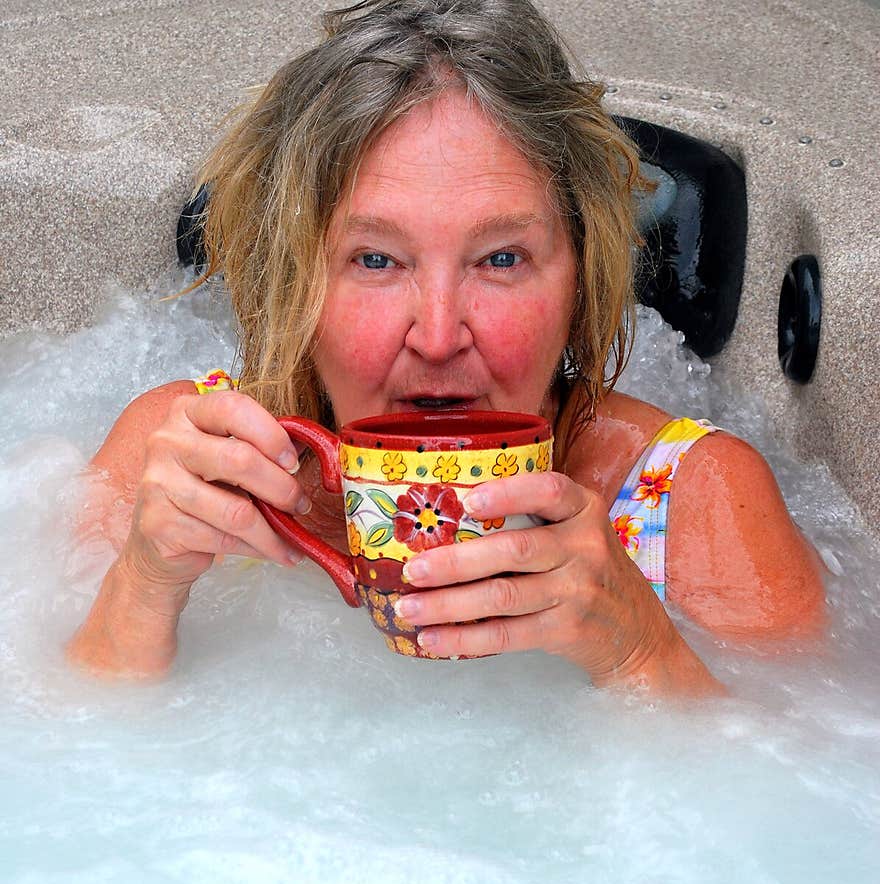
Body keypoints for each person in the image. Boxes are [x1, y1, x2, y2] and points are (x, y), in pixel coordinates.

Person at [66, 0, 826, 695]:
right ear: (287, 278)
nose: (436, 337)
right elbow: (64, 763)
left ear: (583, 278)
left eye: (500, 259)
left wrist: (639, 652)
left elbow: (795, 809)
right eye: (375, 260)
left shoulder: (696, 504)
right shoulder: (182, 467)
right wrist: (144, 583)